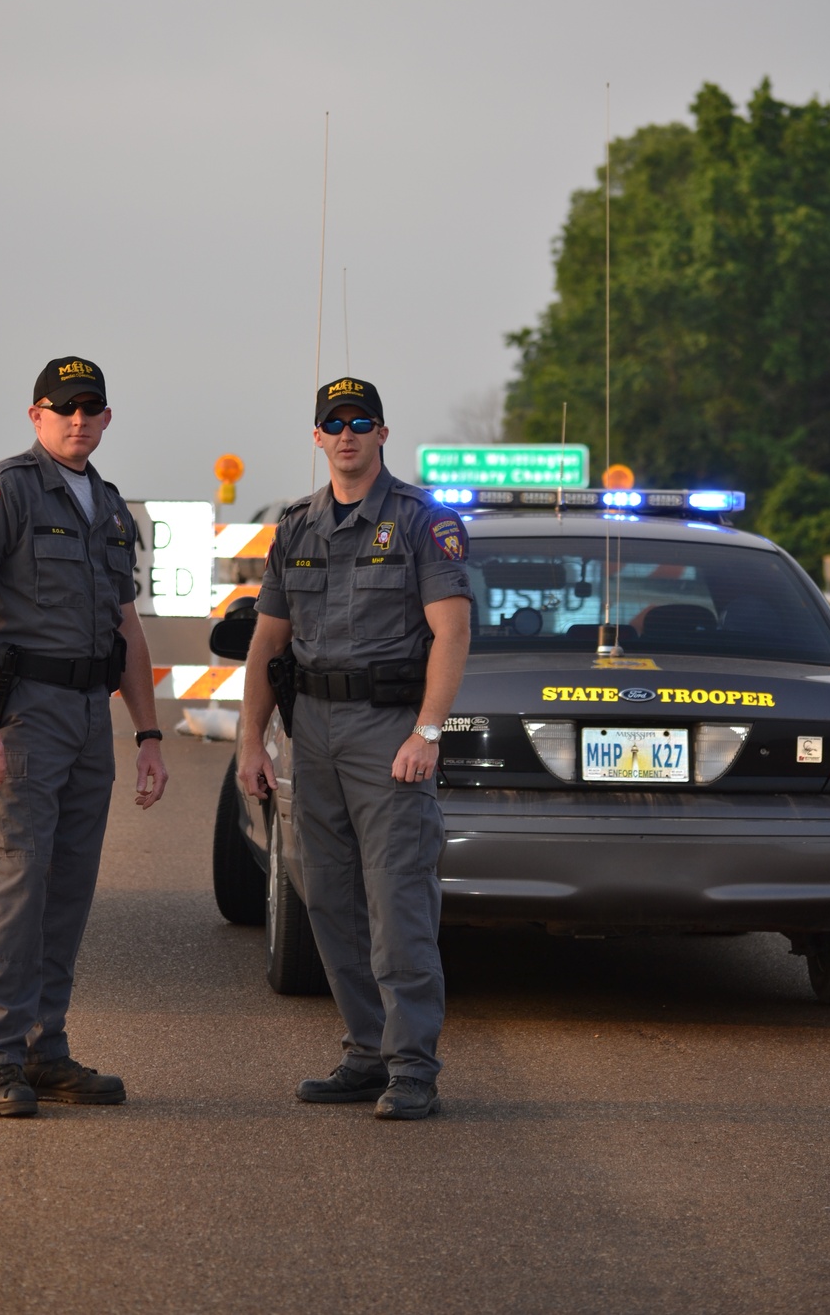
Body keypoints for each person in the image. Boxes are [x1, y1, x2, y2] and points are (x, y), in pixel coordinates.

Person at [0, 356, 168, 1118]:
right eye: (62, 407)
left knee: (66, 887)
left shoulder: (105, 505)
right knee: (13, 883)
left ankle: (45, 1048)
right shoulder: (2, 490)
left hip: (86, 716)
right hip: (23, 712)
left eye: (90, 407)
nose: (78, 419)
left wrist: (149, 732)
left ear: (106, 418)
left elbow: (126, 626)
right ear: (36, 415)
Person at [239, 377, 472, 1120]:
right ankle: (365, 1052)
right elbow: (268, 641)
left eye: (361, 421)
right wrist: (251, 740)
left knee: (398, 899)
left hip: (387, 733)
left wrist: (427, 732)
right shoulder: (297, 526)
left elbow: (453, 631)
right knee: (331, 900)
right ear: (317, 437)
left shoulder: (421, 522)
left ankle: (412, 1067)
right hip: (314, 733)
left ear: (382, 433)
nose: (347, 434)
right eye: (333, 423)